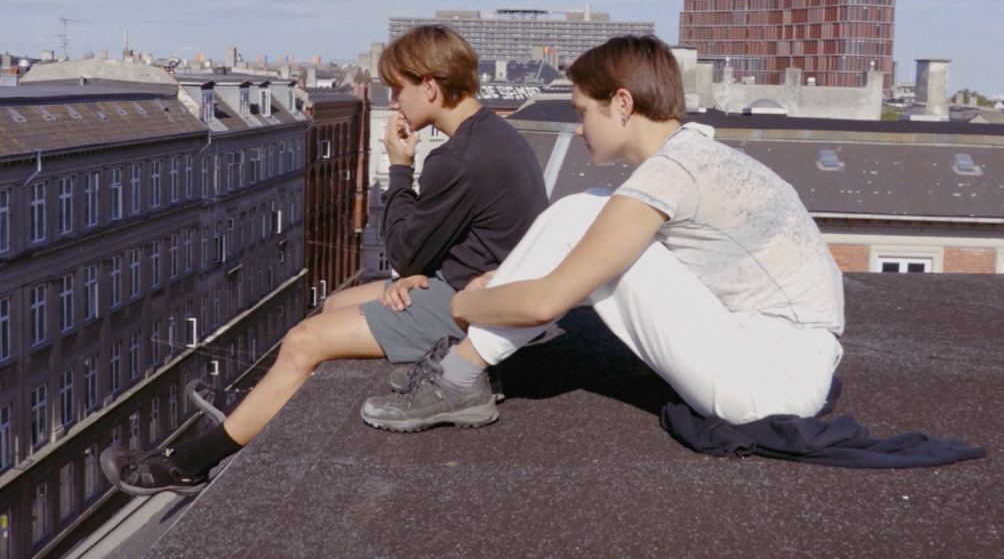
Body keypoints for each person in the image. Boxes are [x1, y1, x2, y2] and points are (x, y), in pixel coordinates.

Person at [101, 25, 548, 494]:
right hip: (481, 283)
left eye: (399, 89)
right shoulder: (494, 134)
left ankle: (188, 464)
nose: (395, 100)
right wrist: (418, 271)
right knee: (334, 305)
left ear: (431, 87)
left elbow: (404, 251)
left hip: (473, 306)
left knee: (303, 341)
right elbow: (446, 244)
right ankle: (262, 404)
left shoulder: (457, 157)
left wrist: (399, 166)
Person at [361, 34, 845, 433]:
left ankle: (457, 376)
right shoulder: (694, 155)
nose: (578, 129)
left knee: (582, 213)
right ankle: (461, 370)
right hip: (782, 361)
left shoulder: (671, 174)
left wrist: (462, 305)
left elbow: (543, 305)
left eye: (582, 112)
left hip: (771, 380)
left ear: (622, 104)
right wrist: (504, 282)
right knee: (593, 209)